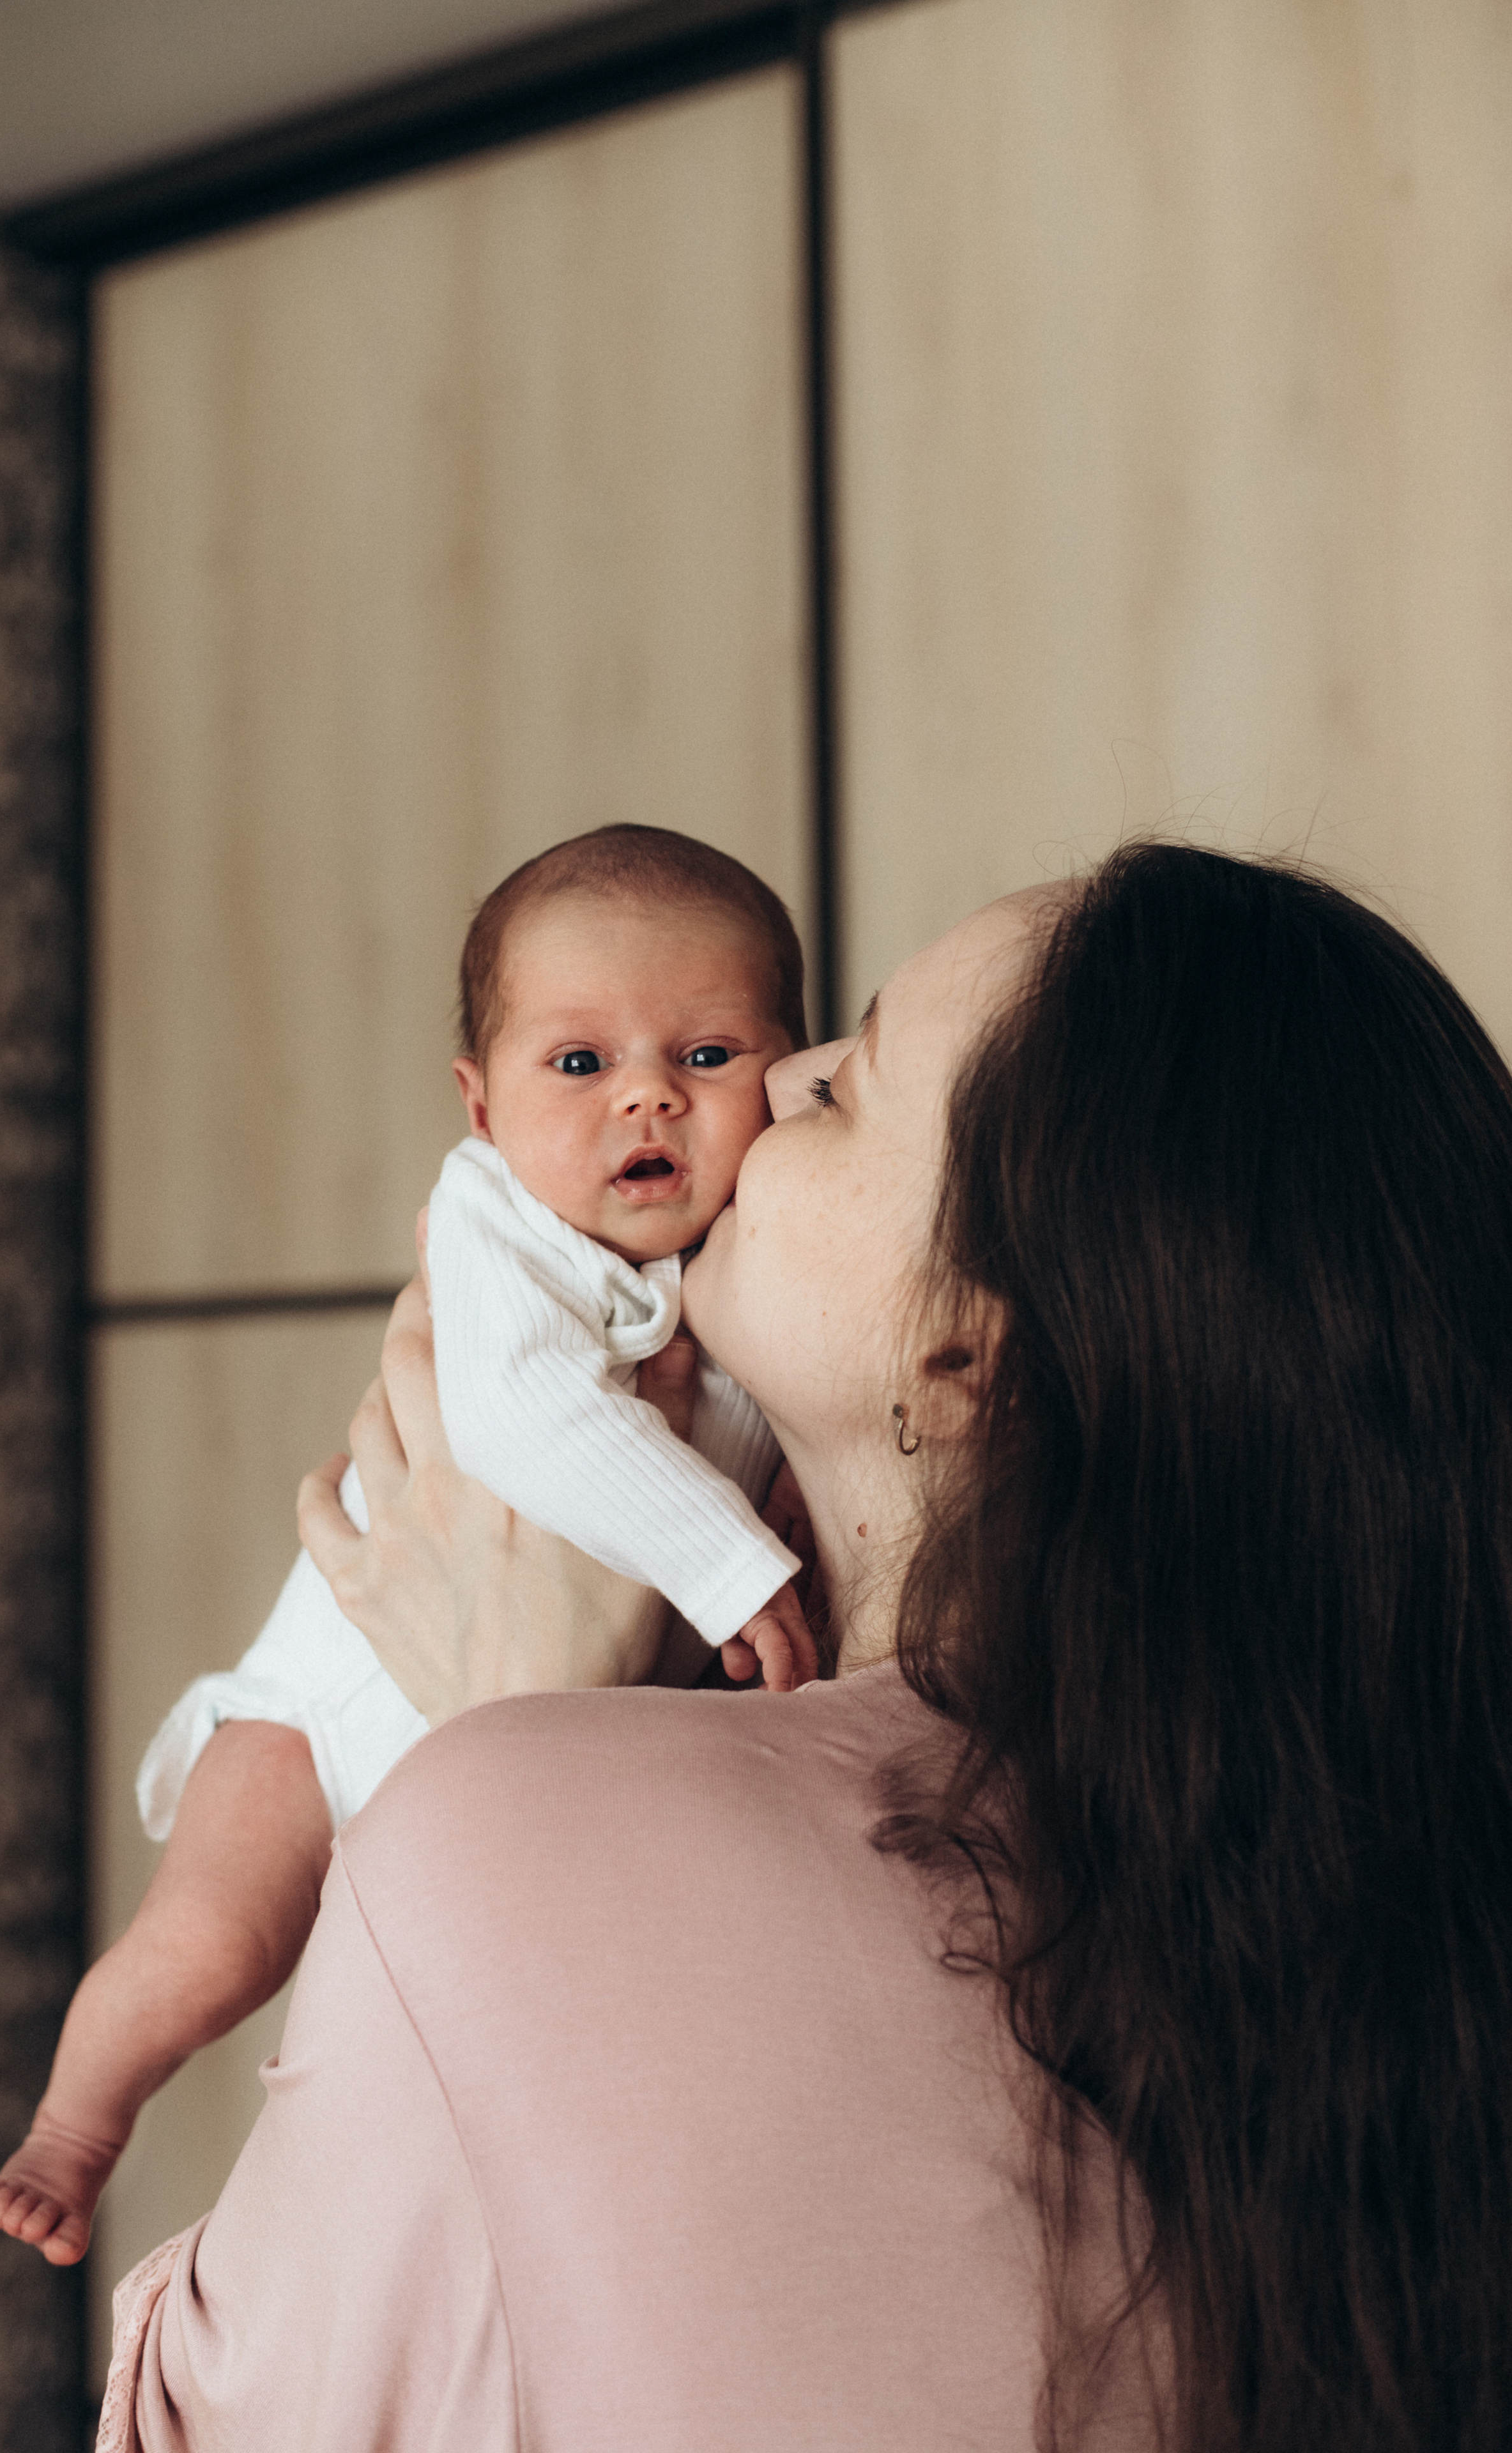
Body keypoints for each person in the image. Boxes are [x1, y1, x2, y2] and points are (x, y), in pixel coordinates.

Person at [107, 843, 1512, 2452]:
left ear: (962, 1338)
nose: (765, 1089)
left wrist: (531, 1787)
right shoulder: (1359, 1919)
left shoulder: (518, 1822)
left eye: (846, 1079)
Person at [0, 826, 819, 2268]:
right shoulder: (503, 1234)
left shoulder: (760, 1242)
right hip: (328, 1707)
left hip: (530, 1759)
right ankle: (74, 2121)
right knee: (208, 1950)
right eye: (578, 1065)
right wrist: (737, 1567)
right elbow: (516, 1421)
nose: (645, 1099)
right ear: (477, 1104)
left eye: (707, 1054)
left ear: (789, 1071)